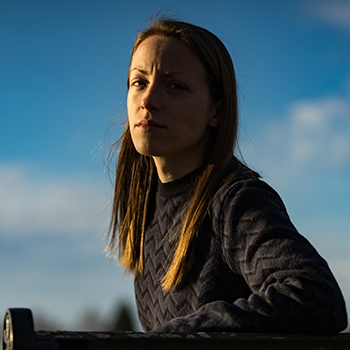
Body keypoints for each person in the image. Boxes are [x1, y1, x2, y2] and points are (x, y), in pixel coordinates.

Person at [106, 18, 347, 333]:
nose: (148, 101)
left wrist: (178, 334)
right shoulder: (146, 210)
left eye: (175, 86)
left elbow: (317, 297)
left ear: (216, 111)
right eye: (139, 82)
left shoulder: (235, 201)